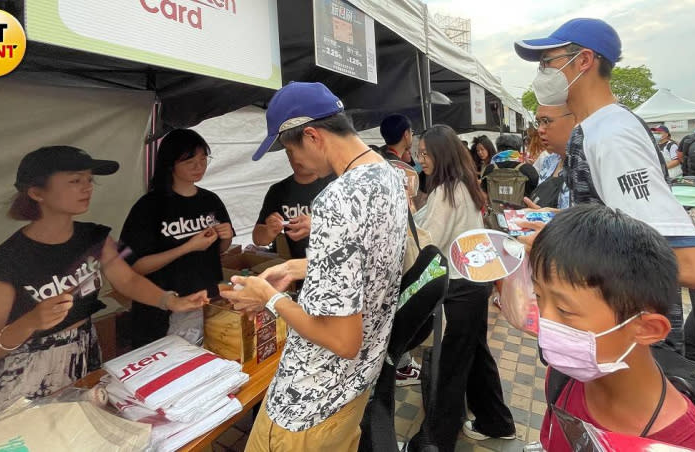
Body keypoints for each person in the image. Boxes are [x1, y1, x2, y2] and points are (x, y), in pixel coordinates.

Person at [0, 146, 208, 423]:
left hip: (83, 354)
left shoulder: (94, 238)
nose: (87, 188)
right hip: (18, 379)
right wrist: (28, 322)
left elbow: (126, 279)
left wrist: (171, 301)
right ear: (36, 192)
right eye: (75, 181)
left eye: (90, 180)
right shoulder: (4, 265)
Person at [222, 82, 407, 451]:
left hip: (308, 401)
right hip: (353, 388)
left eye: (291, 150)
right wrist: (295, 268)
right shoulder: (388, 175)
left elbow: (342, 340)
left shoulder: (336, 199)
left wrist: (270, 299)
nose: (295, 162)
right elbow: (369, 263)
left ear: (312, 135)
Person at [514, 18, 695, 345]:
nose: (541, 75)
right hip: (603, 337)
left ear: (584, 61)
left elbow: (692, 267)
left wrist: (564, 248)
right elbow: (621, 226)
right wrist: (565, 223)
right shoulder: (592, 129)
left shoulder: (613, 137)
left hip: (630, 344)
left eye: (547, 63)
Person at [534, 204, 695, 452]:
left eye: (564, 310)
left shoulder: (689, 445)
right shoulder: (564, 378)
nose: (544, 322)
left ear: (648, 329)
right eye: (538, 296)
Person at [402, 125, 515, 452]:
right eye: (419, 153)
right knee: (476, 355)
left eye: (426, 154)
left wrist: (407, 218)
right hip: (473, 284)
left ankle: (435, 442)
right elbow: (427, 221)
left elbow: (428, 241)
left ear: (442, 154)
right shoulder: (462, 184)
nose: (421, 160)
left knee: (447, 367)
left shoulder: (447, 191)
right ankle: (496, 422)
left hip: (458, 289)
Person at [120, 129, 233, 347]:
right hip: (161, 312)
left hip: (206, 301)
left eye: (203, 159)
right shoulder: (150, 206)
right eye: (189, 161)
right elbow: (135, 267)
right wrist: (186, 247)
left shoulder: (211, 200)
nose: (199, 167)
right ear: (170, 163)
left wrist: (225, 237)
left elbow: (218, 250)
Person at [252, 147, 335, 259]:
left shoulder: (337, 183)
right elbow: (258, 239)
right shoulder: (278, 191)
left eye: (303, 151)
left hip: (338, 266)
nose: (298, 158)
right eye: (291, 152)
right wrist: (269, 231)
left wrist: (318, 226)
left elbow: (358, 230)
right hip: (300, 268)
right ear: (288, 156)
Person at [529, 104, 576, 209]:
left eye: (546, 121)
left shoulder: (588, 164)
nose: (540, 130)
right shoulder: (548, 161)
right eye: (538, 123)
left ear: (574, 119)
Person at [480, 134, 540, 201]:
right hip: (522, 210)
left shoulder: (489, 169)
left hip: (494, 210)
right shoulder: (528, 169)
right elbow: (537, 191)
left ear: (498, 150)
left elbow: (484, 191)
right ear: (518, 149)